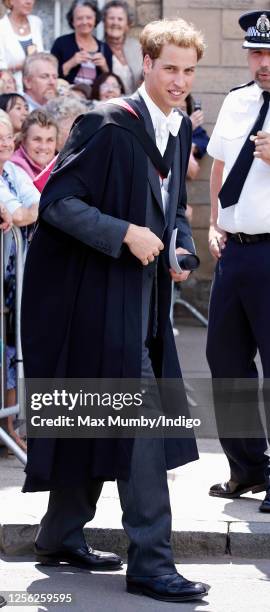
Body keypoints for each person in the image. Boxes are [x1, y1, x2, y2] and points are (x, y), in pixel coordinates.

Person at [21, 18, 209, 602]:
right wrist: (126, 232)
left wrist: (181, 246)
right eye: (169, 67)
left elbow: (174, 208)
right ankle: (152, 562)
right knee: (141, 427)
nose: (179, 80)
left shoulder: (175, 133)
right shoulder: (106, 126)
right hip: (88, 300)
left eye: (188, 70)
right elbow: (57, 203)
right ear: (146, 64)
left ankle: (58, 535)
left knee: (92, 415)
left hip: (143, 303)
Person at [206, 10, 270, 513]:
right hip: (235, 249)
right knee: (225, 361)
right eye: (256, 52)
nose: (262, 62)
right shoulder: (237, 101)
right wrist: (213, 223)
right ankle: (248, 466)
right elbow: (221, 167)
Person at [0, 111, 39, 451]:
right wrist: (18, 215)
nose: (3, 141)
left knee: (11, 350)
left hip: (12, 278)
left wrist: (19, 215)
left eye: (7, 135)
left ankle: (9, 423)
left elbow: (32, 207)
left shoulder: (12, 170)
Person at [51, 0, 112, 87]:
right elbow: (51, 75)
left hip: (96, 100)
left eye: (89, 18)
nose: (84, 22)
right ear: (73, 21)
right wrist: (71, 63)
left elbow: (111, 82)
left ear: (95, 19)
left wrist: (105, 67)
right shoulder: (61, 43)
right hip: (68, 98)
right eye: (79, 18)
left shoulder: (105, 48)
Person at [0, 0, 43, 93]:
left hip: (36, 90)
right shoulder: (1, 27)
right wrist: (24, 65)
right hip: (11, 91)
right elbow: (1, 68)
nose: (29, 2)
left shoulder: (36, 22)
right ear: (10, 1)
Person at [103, 0, 142, 94]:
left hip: (135, 105)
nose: (115, 23)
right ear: (104, 22)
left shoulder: (137, 47)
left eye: (120, 19)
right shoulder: (98, 48)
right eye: (111, 18)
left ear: (127, 25)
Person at [11, 109, 58, 179]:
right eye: (37, 139)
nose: (43, 147)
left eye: (49, 140)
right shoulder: (16, 166)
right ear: (23, 140)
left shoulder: (56, 165)